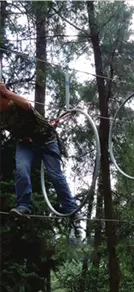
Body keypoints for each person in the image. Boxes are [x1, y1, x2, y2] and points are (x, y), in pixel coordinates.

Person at [0, 83, 79, 219]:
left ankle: (70, 208)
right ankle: (24, 207)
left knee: (55, 174)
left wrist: (7, 92)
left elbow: (27, 104)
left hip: (46, 140)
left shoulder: (17, 104)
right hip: (25, 144)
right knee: (21, 170)